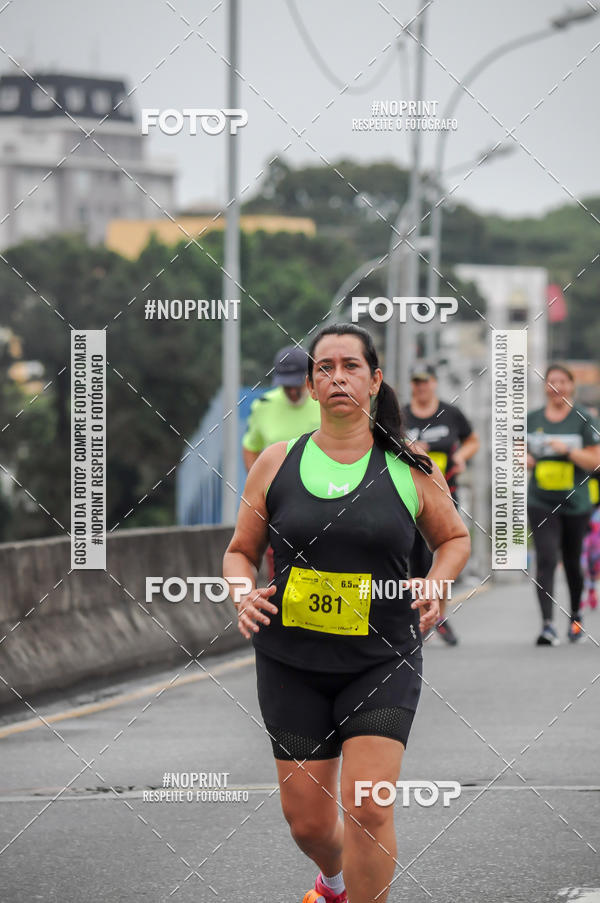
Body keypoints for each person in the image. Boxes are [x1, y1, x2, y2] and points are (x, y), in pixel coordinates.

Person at [223, 324, 470, 903]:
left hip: (380, 658)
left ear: (375, 379)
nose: (338, 376)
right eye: (325, 367)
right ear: (310, 386)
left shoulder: (410, 467)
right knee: (307, 822)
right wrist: (241, 591)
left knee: (367, 806)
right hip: (291, 659)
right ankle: (333, 883)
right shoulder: (276, 463)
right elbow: (240, 552)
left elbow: (454, 538)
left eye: (351, 365)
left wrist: (437, 581)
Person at [402, 364, 479, 646]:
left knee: (443, 554)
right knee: (416, 559)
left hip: (445, 493)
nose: (421, 387)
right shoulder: (401, 415)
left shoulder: (450, 413)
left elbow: (471, 440)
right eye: (416, 382)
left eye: (425, 382)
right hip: (410, 495)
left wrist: (461, 458)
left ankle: (440, 615)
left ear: (434, 383)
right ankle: (419, 617)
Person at [527, 364, 600, 646]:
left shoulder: (584, 418)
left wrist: (568, 450)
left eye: (562, 381)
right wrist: (524, 459)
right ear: (545, 386)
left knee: (572, 561)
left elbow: (595, 461)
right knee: (545, 558)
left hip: (576, 502)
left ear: (571, 386)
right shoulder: (532, 419)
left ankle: (576, 616)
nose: (556, 386)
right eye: (551, 381)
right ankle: (547, 625)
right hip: (541, 501)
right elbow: (516, 451)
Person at [242, 344, 320, 472]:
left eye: (297, 385)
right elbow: (250, 447)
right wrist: (258, 486)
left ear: (309, 378)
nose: (293, 392)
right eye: (287, 386)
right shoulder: (263, 405)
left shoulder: (326, 402)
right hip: (278, 490)